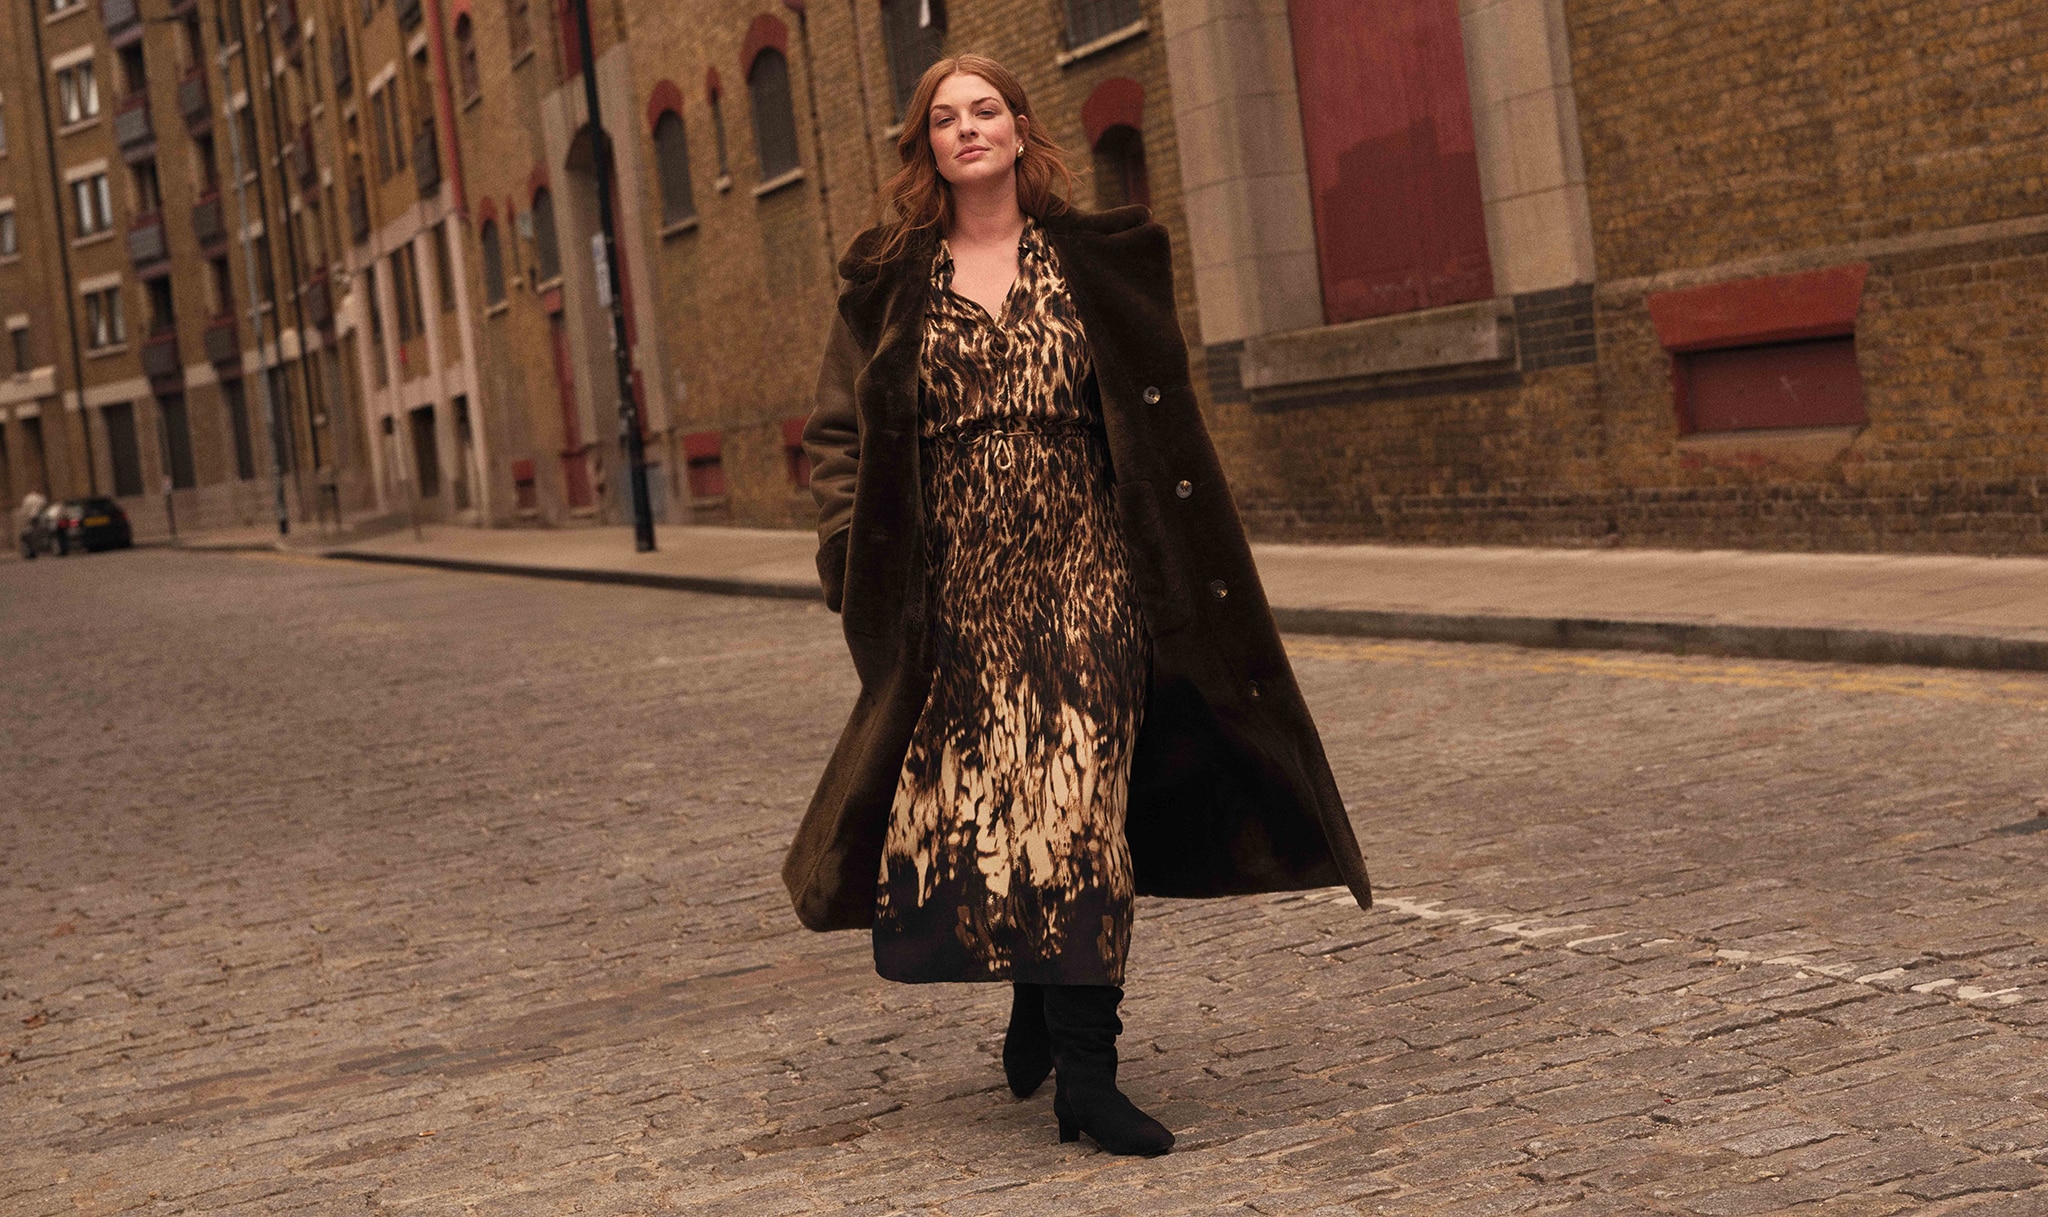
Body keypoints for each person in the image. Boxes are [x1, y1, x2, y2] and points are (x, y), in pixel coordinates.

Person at [785, 54, 1371, 1157]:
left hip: (1089, 571)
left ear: (1017, 129)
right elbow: (837, 436)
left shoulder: (1094, 259)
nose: (969, 130)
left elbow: (1156, 421)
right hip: (953, 588)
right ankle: (1034, 984)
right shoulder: (887, 278)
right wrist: (840, 547)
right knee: (991, 815)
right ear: (927, 147)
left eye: (986, 110)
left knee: (1080, 807)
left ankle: (1087, 1078)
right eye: (946, 118)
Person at [16, 490, 48, 559]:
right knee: (34, 536)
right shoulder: (39, 498)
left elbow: (24, 509)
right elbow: (44, 505)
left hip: (30, 518)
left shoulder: (27, 499)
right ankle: (34, 551)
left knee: (28, 536)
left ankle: (31, 552)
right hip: (38, 518)